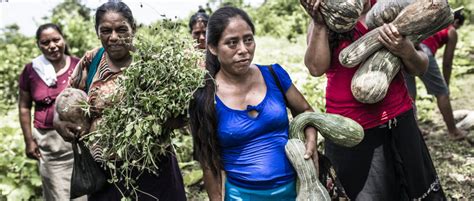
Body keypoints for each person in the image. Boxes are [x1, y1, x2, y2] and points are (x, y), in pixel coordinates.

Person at [301, 0, 446, 200]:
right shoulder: (329, 13)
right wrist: (318, 24)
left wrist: (405, 50)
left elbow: (420, 66)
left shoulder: (389, 8)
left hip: (399, 121)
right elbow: (316, 68)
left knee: (416, 191)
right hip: (350, 132)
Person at [53, 1, 186, 200]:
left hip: (153, 171)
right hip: (106, 176)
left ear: (133, 28)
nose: (114, 37)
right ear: (97, 32)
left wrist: (162, 119)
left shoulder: (153, 63)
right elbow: (67, 99)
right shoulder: (91, 61)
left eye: (121, 29)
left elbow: (182, 116)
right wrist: (58, 122)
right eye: (106, 30)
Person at [188, 6, 319, 200]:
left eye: (248, 39)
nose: (243, 50)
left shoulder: (274, 75)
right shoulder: (205, 96)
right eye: (232, 43)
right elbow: (208, 161)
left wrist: (311, 140)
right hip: (241, 195)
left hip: (294, 191)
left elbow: (306, 111)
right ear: (213, 47)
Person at [18, 23, 84, 200]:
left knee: (84, 193)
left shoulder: (79, 66)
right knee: (58, 194)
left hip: (78, 145)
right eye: (45, 42)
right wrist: (28, 140)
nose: (52, 46)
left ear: (64, 39)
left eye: (56, 40)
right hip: (50, 147)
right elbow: (24, 107)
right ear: (38, 45)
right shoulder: (31, 71)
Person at [404, 8, 466, 140]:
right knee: (441, 93)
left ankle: (414, 132)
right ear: (455, 21)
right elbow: (447, 62)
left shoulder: (434, 22)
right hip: (423, 52)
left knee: (409, 95)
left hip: (408, 47)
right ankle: (453, 131)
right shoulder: (451, 30)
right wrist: (445, 85)